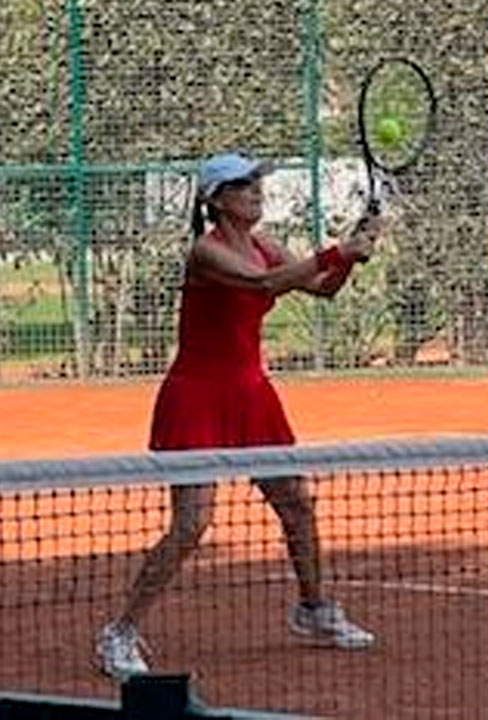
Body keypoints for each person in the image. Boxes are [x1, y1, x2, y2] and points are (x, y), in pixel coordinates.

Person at [97, 152, 380, 680]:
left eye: (256, 182)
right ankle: (121, 631)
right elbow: (260, 285)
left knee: (296, 504)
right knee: (191, 524)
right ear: (217, 199)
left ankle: (314, 609)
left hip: (252, 395)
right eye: (244, 184)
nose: (256, 189)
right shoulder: (206, 252)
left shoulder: (264, 245)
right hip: (196, 397)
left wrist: (352, 252)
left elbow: (323, 288)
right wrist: (338, 250)